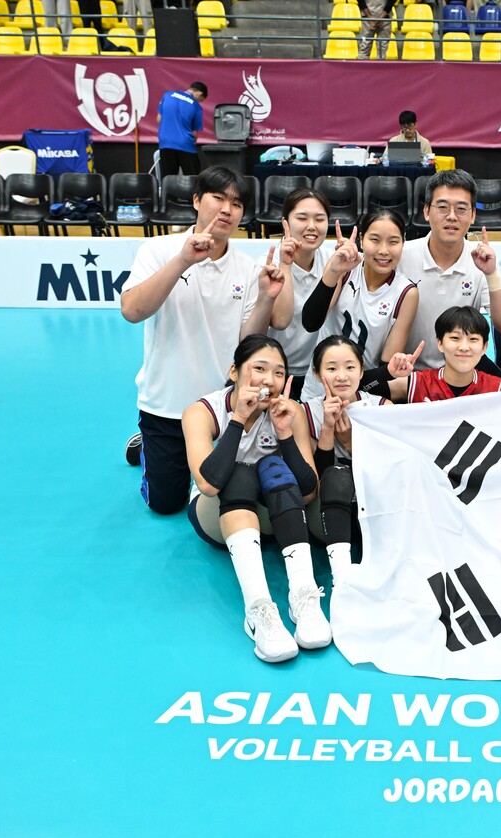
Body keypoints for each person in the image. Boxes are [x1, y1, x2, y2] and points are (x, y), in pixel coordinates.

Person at [121, 167, 286, 515]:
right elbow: (132, 311)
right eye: (218, 198)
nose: (227, 209)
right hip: (165, 405)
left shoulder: (246, 268)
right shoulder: (158, 249)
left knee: (227, 492)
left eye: (236, 204)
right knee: (166, 504)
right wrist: (183, 260)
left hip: (221, 409)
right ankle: (144, 445)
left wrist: (266, 298)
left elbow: (248, 342)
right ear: (197, 200)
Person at [181, 335, 328, 663]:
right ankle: (259, 611)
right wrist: (237, 420)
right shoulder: (201, 412)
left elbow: (308, 491)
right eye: (259, 369)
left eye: (278, 373)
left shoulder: (291, 411)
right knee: (239, 473)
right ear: (234, 372)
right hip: (216, 516)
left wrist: (285, 433)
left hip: (273, 517)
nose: (269, 380)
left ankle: (304, 598)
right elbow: (207, 483)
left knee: (274, 466)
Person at [400, 169, 501, 371]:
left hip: (461, 373)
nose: (452, 217)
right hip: (409, 372)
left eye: (461, 209)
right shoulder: (402, 256)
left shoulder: (481, 260)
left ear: (473, 215)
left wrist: (491, 274)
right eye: (443, 207)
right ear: (426, 211)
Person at [302, 335, 390, 586]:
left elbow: (390, 473)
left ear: (362, 371)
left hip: (374, 514)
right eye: (331, 369)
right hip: (327, 516)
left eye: (350, 367)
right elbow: (316, 480)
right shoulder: (306, 412)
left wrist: (352, 444)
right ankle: (341, 576)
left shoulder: (382, 408)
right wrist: (328, 429)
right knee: (336, 475)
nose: (342, 376)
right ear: (317, 374)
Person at [299, 209, 419, 387]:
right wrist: (334, 271)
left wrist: (352, 388)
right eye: (375, 240)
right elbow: (310, 323)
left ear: (403, 242)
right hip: (319, 387)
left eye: (393, 241)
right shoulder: (344, 267)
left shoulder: (407, 292)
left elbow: (386, 368)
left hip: (365, 390)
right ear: (361, 239)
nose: (383, 251)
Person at [269, 189, 334, 399]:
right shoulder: (268, 265)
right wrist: (285, 265)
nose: (312, 226)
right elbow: (280, 321)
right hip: (274, 372)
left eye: (320, 219)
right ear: (285, 222)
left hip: (317, 374)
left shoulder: (333, 262)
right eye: (302, 218)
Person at [384, 306, 501, 402]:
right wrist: (387, 372)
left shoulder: (500, 390)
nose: (464, 347)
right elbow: (371, 389)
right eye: (455, 338)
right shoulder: (418, 383)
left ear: (484, 347)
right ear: (440, 343)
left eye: (473, 339)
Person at [157, 81, 207, 178]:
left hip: (165, 143)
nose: (199, 102)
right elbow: (194, 133)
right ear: (199, 93)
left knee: (168, 179)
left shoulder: (167, 95)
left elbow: (159, 119)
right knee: (193, 179)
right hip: (185, 145)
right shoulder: (196, 106)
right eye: (201, 100)